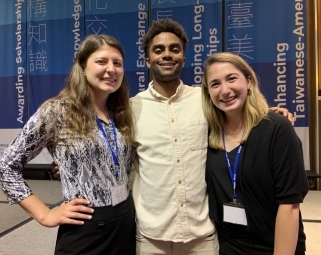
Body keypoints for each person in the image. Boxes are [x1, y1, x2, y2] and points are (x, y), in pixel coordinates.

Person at [51, 20, 294, 254]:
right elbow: (109, 147)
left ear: (183, 58)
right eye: (158, 50)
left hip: (202, 236)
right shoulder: (130, 109)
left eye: (174, 49)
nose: (167, 54)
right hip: (150, 238)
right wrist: (70, 166)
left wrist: (269, 113)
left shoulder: (204, 100)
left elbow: (236, 110)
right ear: (148, 60)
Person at [0, 34, 137, 255]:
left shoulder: (123, 112)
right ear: (82, 66)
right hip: (86, 227)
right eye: (101, 61)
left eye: (117, 63)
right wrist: (45, 214)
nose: (111, 69)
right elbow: (5, 168)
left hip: (125, 221)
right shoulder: (57, 111)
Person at [202, 52, 309, 255]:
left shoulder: (276, 129)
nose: (225, 90)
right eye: (215, 84)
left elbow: (290, 206)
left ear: (249, 81)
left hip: (273, 245)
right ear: (208, 92)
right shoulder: (208, 133)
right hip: (227, 247)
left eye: (232, 78)